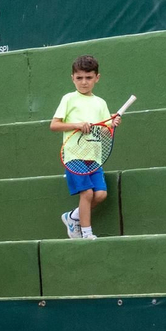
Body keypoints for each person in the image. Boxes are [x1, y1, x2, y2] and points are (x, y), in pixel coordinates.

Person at [51, 55, 120, 240]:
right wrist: (77, 125)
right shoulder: (68, 99)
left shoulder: (101, 103)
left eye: (89, 77)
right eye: (79, 78)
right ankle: (86, 232)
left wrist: (112, 124)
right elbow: (54, 125)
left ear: (97, 78)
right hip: (74, 156)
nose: (84, 82)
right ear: (72, 78)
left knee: (101, 194)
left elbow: (104, 133)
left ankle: (73, 217)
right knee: (87, 193)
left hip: (95, 157)